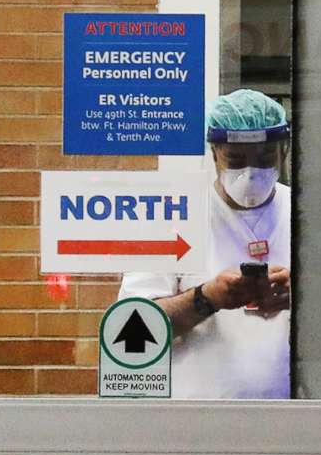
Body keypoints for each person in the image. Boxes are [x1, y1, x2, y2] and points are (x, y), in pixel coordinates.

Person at [119, 89, 295, 399]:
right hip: (198, 421)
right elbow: (134, 327)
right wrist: (207, 298)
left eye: (265, 159)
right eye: (236, 160)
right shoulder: (174, 215)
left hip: (295, 418)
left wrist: (302, 298)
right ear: (214, 152)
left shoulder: (306, 214)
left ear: (284, 151)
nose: (250, 174)